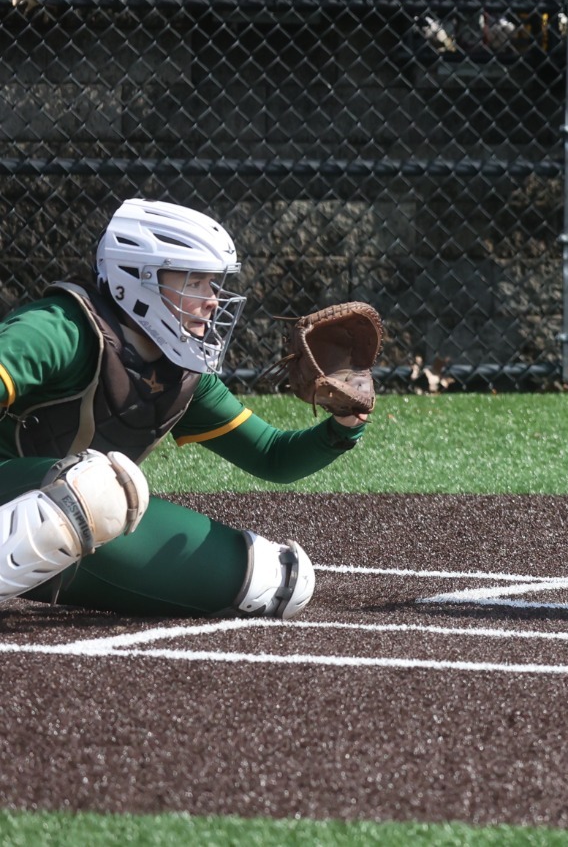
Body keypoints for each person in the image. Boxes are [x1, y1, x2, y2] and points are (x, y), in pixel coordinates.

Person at [0, 199, 366, 619]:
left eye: (214, 284)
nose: (213, 300)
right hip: (37, 492)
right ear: (137, 278)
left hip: (76, 516)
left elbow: (273, 456)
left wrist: (345, 421)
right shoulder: (59, 328)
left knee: (276, 581)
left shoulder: (181, 370)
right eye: (195, 282)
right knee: (96, 487)